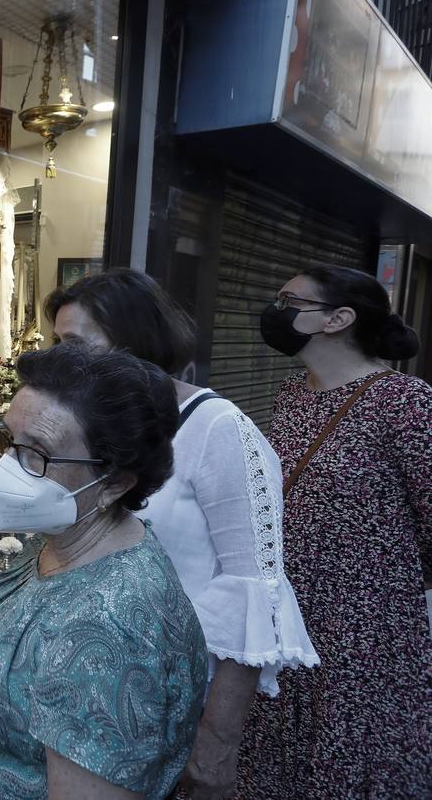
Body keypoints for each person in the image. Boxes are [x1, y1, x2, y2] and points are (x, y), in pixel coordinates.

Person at [46, 269, 317, 800]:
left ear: (135, 340)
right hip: (94, 692)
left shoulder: (219, 430)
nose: (62, 362)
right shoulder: (99, 424)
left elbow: (253, 589)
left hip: (177, 699)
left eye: (76, 345)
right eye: (57, 345)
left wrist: (216, 741)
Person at [0, 343, 208, 799]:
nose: (6, 468)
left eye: (37, 453)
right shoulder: (68, 539)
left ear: (114, 482)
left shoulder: (103, 632)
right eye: (7, 440)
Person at [235, 263, 430, 800]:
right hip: (289, 617)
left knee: (346, 764)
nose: (276, 311)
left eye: (290, 300)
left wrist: (378, 585)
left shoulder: (406, 404)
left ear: (339, 319)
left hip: (365, 634)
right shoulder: (292, 396)